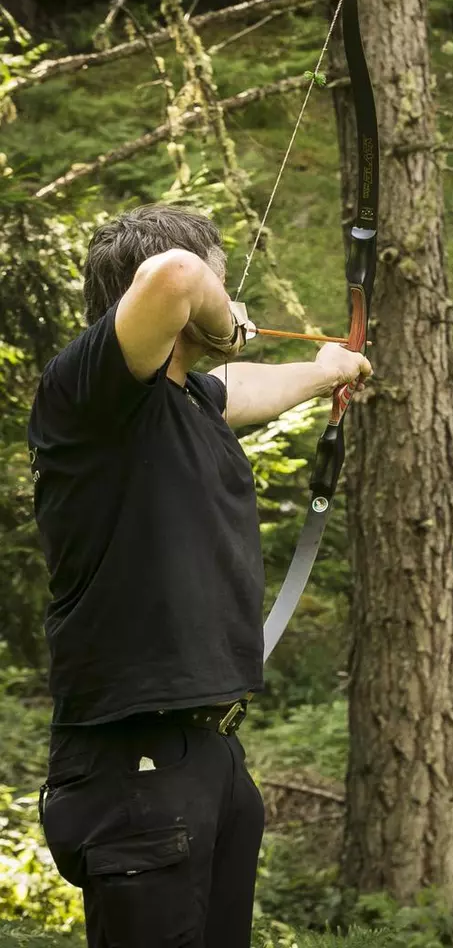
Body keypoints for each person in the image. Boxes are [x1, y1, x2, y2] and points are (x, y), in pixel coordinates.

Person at [27, 204, 371, 947]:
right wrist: (218, 313)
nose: (233, 302)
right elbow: (175, 273)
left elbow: (241, 388)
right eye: (226, 283)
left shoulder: (186, 401)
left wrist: (325, 372)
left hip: (207, 756)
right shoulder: (89, 395)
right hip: (134, 767)